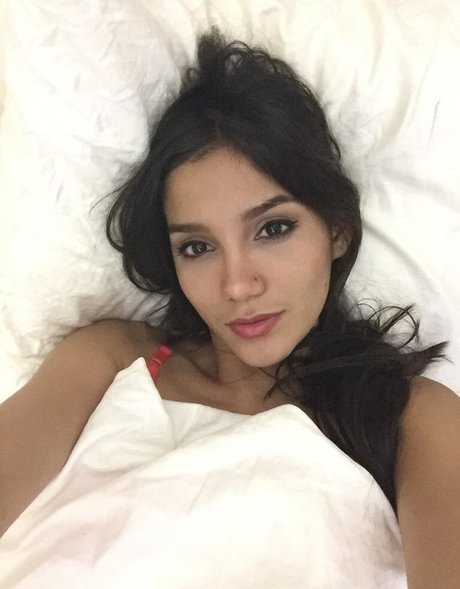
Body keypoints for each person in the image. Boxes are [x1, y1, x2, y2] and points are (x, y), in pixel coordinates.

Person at [1, 28, 459, 586]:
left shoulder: (410, 416)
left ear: (336, 228)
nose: (237, 285)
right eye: (197, 247)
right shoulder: (112, 358)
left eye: (274, 228)